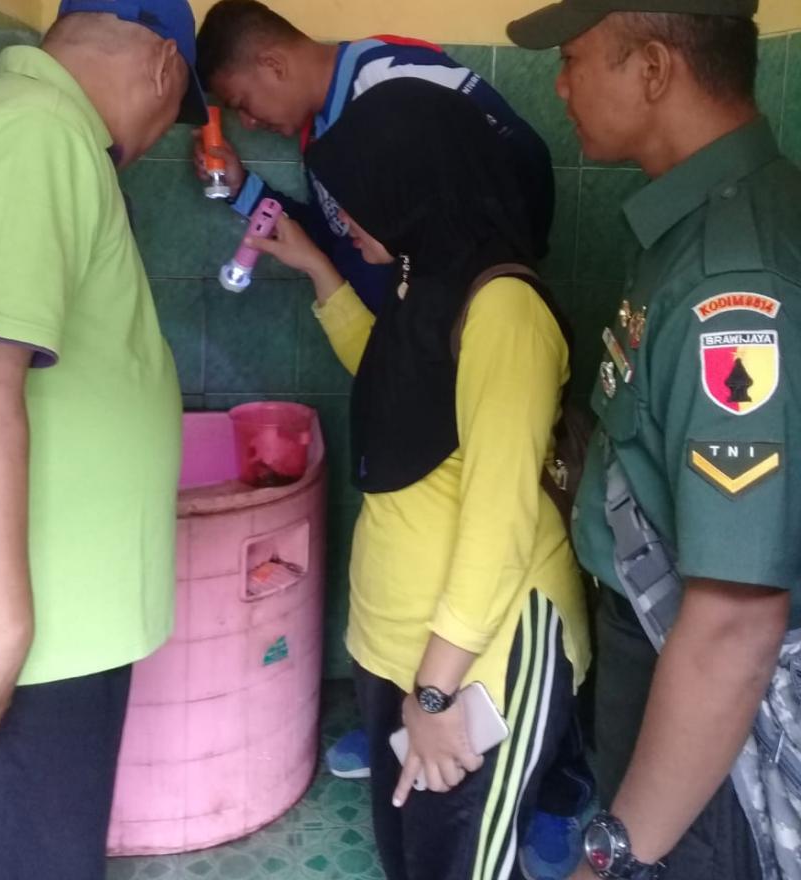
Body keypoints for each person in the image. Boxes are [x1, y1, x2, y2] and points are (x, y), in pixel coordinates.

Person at [245, 77, 591, 880]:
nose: (344, 219)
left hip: (480, 661)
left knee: (460, 864)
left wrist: (434, 693)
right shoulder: (425, 281)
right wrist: (317, 269)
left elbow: (500, 518)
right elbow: (398, 379)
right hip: (399, 646)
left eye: (357, 199)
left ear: (412, 188)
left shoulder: (505, 310)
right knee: (414, 860)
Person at [506, 1, 801, 878]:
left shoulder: (731, 283)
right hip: (662, 648)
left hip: (700, 696)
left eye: (573, 59)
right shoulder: (706, 221)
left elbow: (735, 620)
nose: (561, 86)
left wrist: (617, 852)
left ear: (654, 69)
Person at [0, 1, 207, 878]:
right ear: (164, 66)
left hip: (49, 627)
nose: (159, 136)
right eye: (178, 108)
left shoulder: (52, 136)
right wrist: (5, 635)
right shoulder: (34, 133)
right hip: (10, 640)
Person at [194, 0, 555, 313]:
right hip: (393, 341)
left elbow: (524, 155)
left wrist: (500, 276)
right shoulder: (317, 134)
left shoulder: (392, 75)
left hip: (455, 336)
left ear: (273, 65)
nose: (248, 122)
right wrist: (241, 189)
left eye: (242, 104)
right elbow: (331, 238)